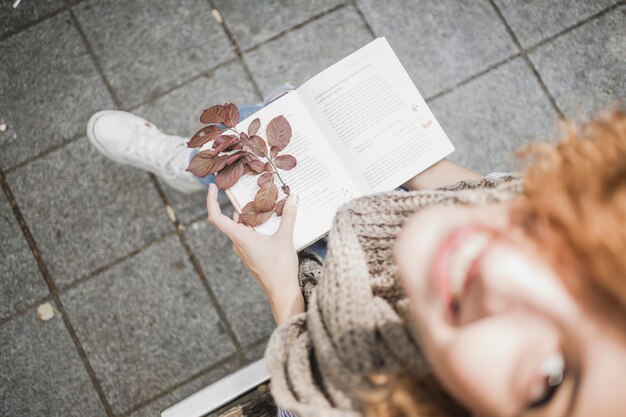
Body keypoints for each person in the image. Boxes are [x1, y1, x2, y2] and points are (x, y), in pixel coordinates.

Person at [87, 92, 626, 416]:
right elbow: (504, 191)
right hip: (386, 213)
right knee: (262, 122)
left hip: (315, 295)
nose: (501, 265)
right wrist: (422, 165)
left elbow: (301, 397)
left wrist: (282, 287)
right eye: (598, 258)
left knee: (254, 167)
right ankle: (195, 163)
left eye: (551, 375)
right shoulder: (522, 215)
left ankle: (194, 167)